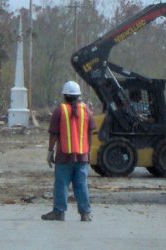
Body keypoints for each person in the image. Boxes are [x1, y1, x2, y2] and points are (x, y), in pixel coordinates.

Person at [42, 80, 96, 222]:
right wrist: (89, 151)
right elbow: (90, 132)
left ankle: (59, 212)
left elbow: (53, 134)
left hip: (63, 156)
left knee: (61, 184)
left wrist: (49, 152)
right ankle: (85, 213)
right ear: (79, 96)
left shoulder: (60, 110)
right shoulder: (86, 111)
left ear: (64, 96)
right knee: (81, 184)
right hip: (82, 156)